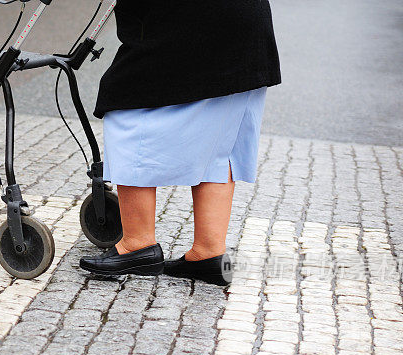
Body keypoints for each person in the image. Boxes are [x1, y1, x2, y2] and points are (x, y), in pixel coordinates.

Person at [79, 0, 281, 286]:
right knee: (220, 140)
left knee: (126, 106)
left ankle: (137, 245)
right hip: (248, 25)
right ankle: (209, 255)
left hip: (199, 22)